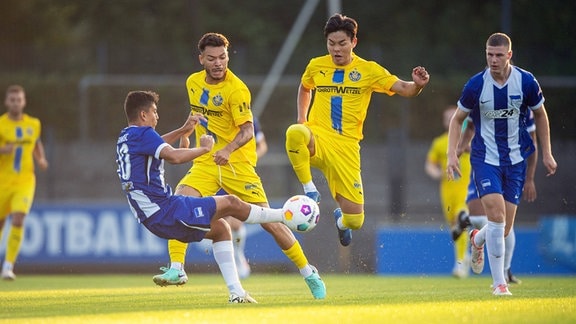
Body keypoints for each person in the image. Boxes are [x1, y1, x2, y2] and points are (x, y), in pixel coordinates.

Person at [152, 32, 326, 299]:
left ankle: (309, 272)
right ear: (201, 60)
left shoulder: (237, 89)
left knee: (271, 223)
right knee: (179, 204)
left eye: (222, 57)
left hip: (238, 165)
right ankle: (177, 268)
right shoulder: (193, 82)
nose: (219, 63)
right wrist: (187, 134)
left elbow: (247, 131)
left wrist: (228, 149)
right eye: (212, 58)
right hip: (207, 162)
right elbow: (197, 113)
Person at [116, 90, 288, 303]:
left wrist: (182, 131)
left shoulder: (126, 136)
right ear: (143, 115)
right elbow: (173, 157)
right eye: (154, 111)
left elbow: (158, 143)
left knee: (221, 229)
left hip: (153, 217)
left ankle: (237, 293)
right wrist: (204, 149)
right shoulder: (143, 135)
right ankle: (285, 214)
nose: (157, 116)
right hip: (166, 210)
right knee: (231, 203)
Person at [285, 13, 430, 246]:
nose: (336, 49)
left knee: (355, 220)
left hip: (346, 148)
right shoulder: (316, 65)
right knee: (294, 132)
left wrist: (417, 86)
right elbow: (305, 87)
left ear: (354, 42)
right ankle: (309, 189)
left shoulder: (369, 70)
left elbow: (403, 88)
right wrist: (303, 119)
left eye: (342, 43)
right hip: (318, 138)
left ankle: (341, 222)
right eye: (331, 44)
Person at [446, 33, 557, 296]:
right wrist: (452, 154)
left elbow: (541, 115)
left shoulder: (526, 81)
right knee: (496, 218)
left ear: (509, 55)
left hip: (516, 161)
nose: (493, 60)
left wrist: (547, 154)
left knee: (504, 227)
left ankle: (477, 237)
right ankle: (499, 285)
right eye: (489, 54)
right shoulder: (475, 85)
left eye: (498, 55)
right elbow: (457, 120)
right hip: (485, 160)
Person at [453, 110, 539, 284]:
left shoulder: (524, 104)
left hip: (512, 171)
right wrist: (459, 149)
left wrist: (530, 178)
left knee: (505, 226)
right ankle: (500, 281)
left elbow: (533, 142)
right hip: (486, 168)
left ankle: (474, 232)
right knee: (488, 220)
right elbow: (469, 128)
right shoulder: (482, 97)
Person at [0, 85, 49, 280]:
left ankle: (8, 266)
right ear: (6, 102)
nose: (15, 103)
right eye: (12, 99)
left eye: (18, 99)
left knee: (19, 218)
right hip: (3, 182)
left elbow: (36, 143)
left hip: (25, 181)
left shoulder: (33, 124)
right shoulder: (1, 124)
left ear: (24, 102)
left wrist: (41, 159)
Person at [213, 117, 268, 279]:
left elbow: (263, 146)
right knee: (221, 221)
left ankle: (238, 257)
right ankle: (230, 263)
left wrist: (248, 160)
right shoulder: (213, 115)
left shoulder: (249, 120)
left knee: (235, 222)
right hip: (217, 172)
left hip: (238, 174)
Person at [425, 106, 471, 278]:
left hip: (466, 189)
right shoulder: (439, 143)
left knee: (462, 218)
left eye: (454, 117)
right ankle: (463, 258)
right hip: (447, 191)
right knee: (455, 228)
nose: (451, 120)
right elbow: (430, 164)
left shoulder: (468, 139)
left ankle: (460, 263)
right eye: (448, 118)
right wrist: (436, 172)